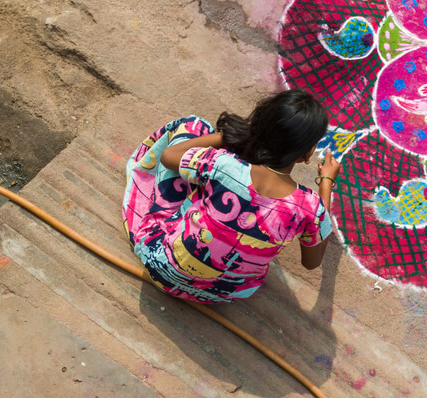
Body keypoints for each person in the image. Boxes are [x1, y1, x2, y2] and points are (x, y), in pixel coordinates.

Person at [122, 89, 340, 303]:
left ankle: (144, 189)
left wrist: (231, 136)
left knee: (194, 126)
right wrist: (326, 183)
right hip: (219, 294)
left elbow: (169, 157)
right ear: (307, 152)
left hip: (159, 263)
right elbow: (312, 263)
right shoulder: (310, 207)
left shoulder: (222, 163)